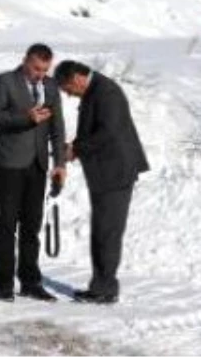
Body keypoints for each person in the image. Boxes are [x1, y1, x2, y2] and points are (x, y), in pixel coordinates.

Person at [53, 59, 150, 305]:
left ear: (76, 78)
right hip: (105, 172)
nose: (67, 94)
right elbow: (95, 130)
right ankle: (100, 286)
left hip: (115, 172)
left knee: (107, 232)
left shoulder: (107, 93)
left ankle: (105, 290)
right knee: (102, 230)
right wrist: (75, 146)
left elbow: (108, 133)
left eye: (66, 88)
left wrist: (76, 149)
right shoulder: (96, 90)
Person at [0, 43, 67, 302]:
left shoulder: (51, 86)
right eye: (35, 68)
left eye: (44, 70)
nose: (39, 74)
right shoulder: (4, 81)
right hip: (9, 164)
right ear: (25, 61)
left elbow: (57, 126)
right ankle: (4, 284)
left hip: (38, 164)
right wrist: (25, 118)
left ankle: (31, 282)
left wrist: (60, 163)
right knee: (8, 225)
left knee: (32, 226)